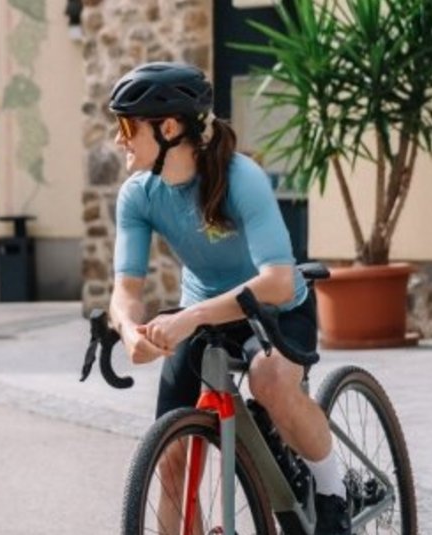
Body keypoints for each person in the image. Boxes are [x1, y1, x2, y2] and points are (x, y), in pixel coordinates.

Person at [105, 62, 350, 535]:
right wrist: (129, 329)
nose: (119, 139)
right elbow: (126, 290)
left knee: (269, 379)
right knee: (170, 458)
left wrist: (190, 317)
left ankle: (332, 491)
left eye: (127, 127)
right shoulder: (138, 195)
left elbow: (279, 282)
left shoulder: (241, 177)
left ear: (168, 129)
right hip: (204, 318)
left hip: (275, 310)